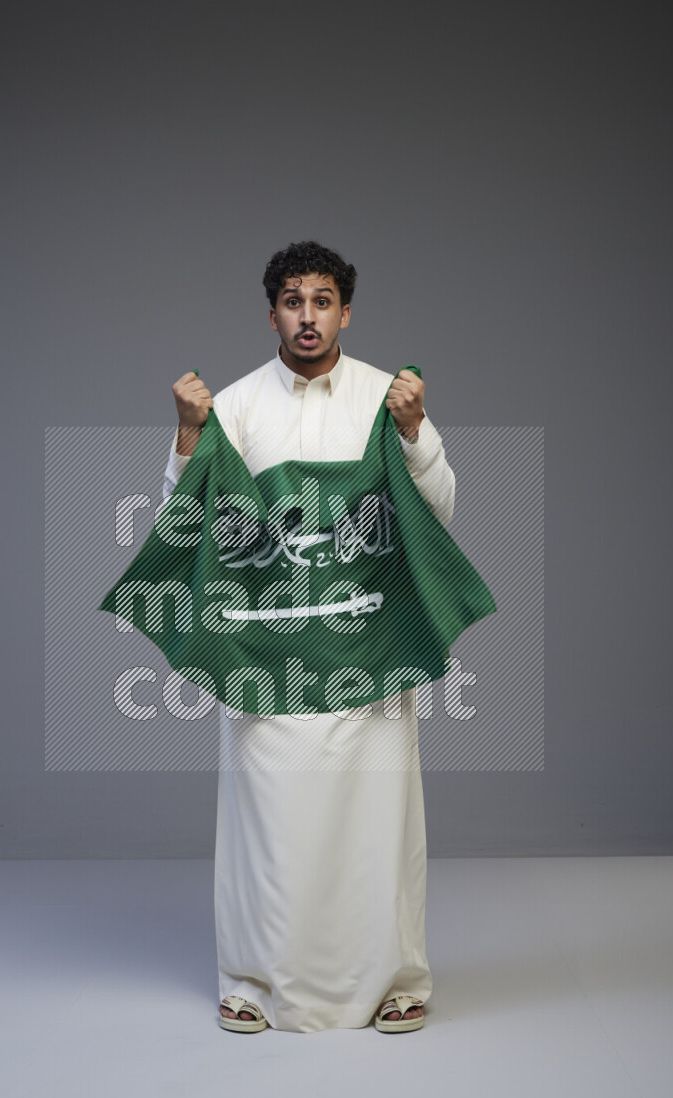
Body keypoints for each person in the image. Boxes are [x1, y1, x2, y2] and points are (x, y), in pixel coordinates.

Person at [162, 241, 456, 1034]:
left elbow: (440, 513)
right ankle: (251, 981)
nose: (307, 315)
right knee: (268, 824)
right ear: (272, 315)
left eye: (322, 300)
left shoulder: (387, 398)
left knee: (379, 822)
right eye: (292, 301)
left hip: (369, 649)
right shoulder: (236, 406)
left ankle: (399, 979)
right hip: (269, 655)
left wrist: (419, 430)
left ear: (345, 312)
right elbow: (185, 527)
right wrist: (190, 436)